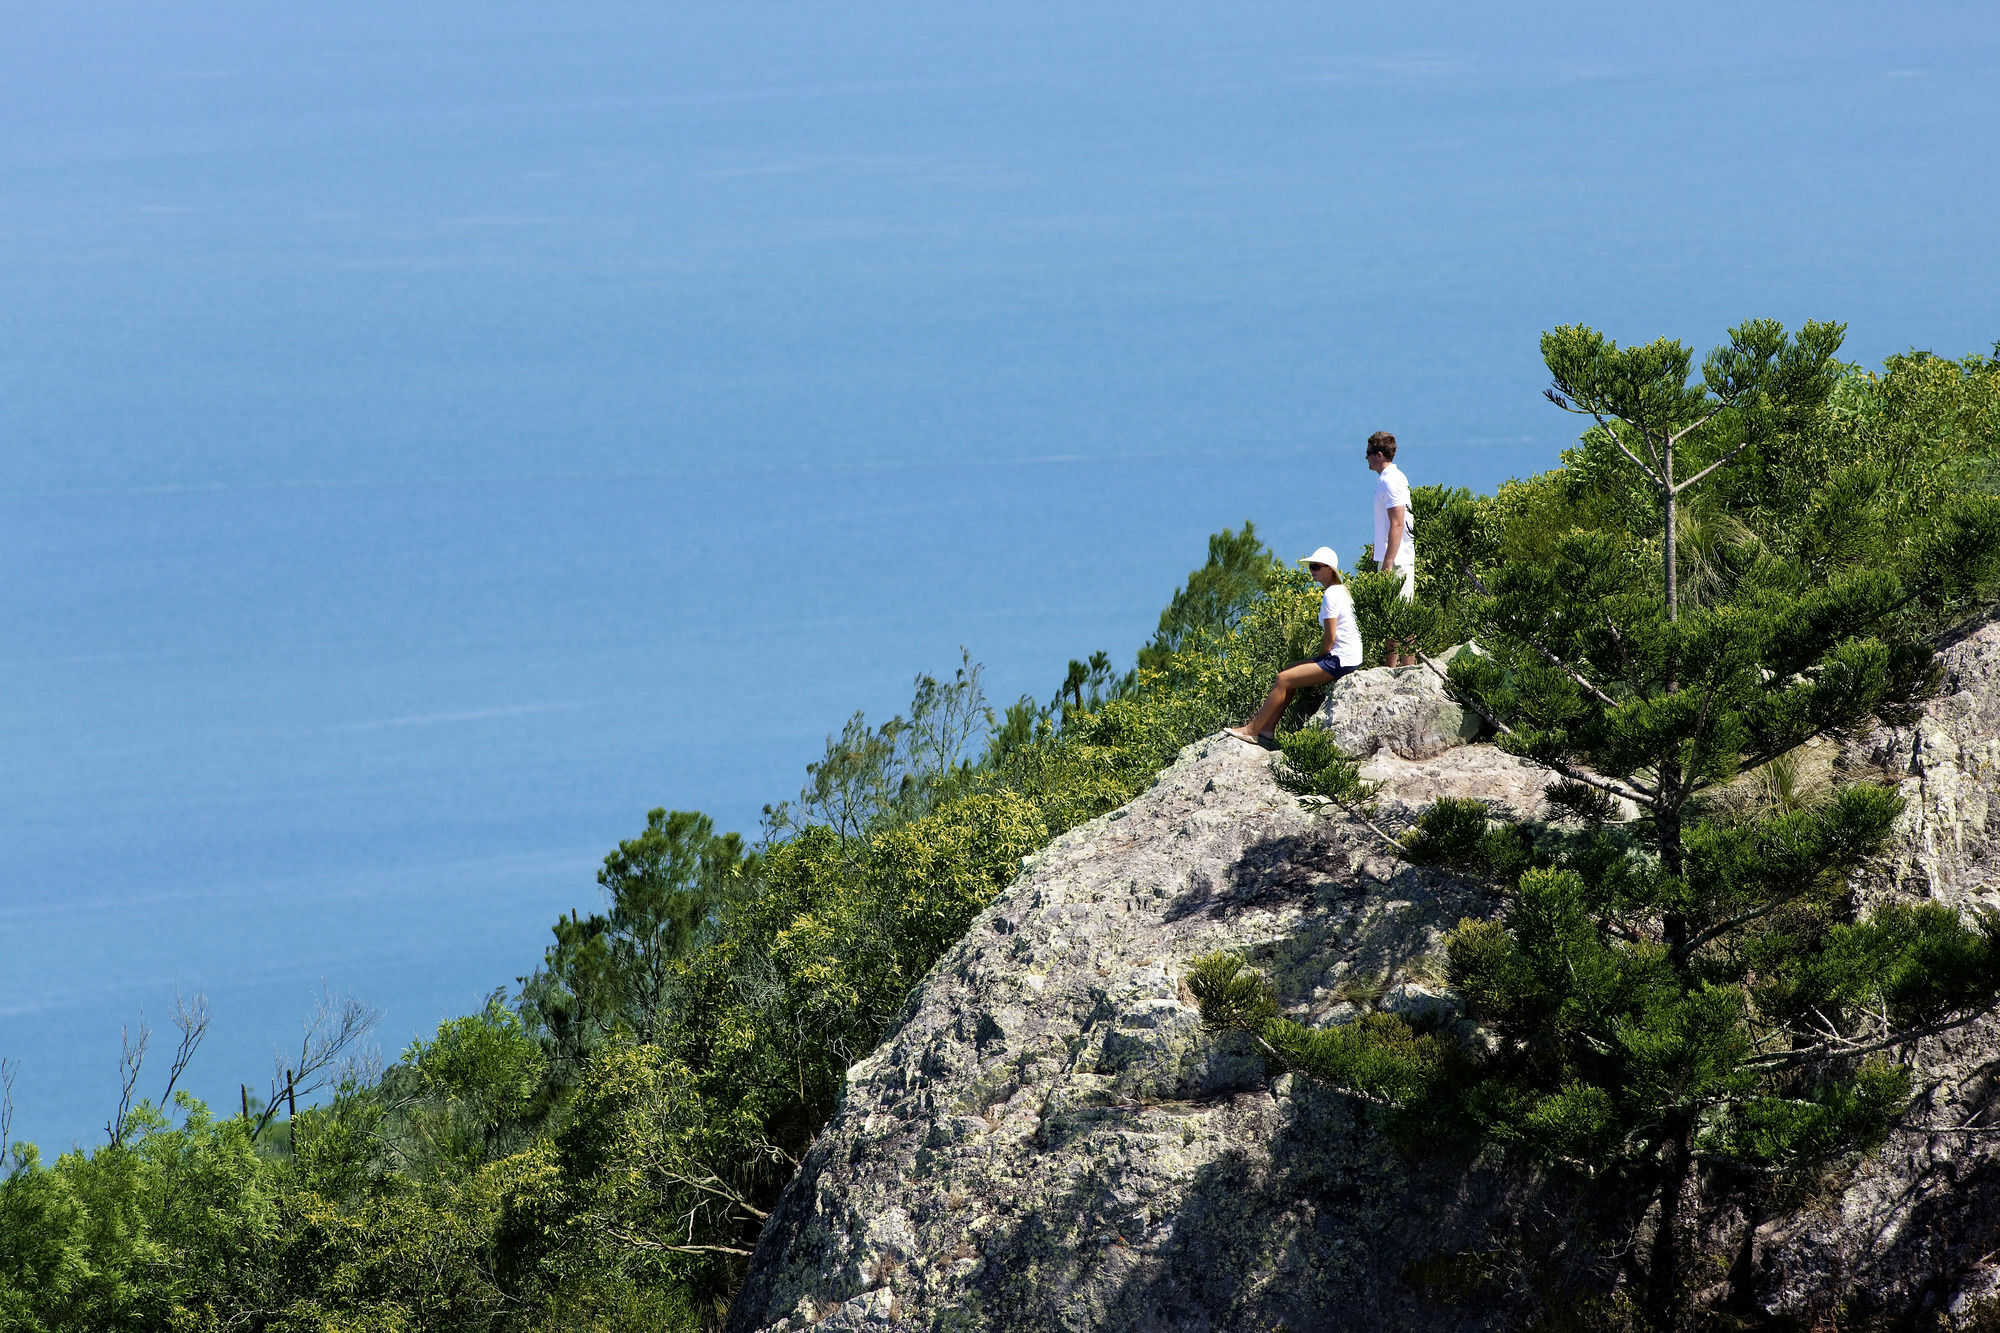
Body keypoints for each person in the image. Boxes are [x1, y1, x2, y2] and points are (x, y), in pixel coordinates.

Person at [1226, 547, 1362, 748]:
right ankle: (1267, 729)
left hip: (1340, 660)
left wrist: (1321, 657)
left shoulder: (1331, 595)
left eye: (1316, 567)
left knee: (1283, 679)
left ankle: (1252, 730)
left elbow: (1330, 636)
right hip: (1348, 657)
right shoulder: (1341, 591)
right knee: (1289, 670)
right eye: (1311, 567)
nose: (1312, 570)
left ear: (1330, 570)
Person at [1367, 430, 1417, 667]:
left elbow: (1398, 523)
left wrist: (1387, 562)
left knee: (1399, 618)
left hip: (1397, 561)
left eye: (1368, 454)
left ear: (1379, 454)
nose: (1366, 458)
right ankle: (1398, 668)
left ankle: (1402, 669)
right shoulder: (1392, 479)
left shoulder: (1390, 481)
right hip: (1395, 556)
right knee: (1395, 617)